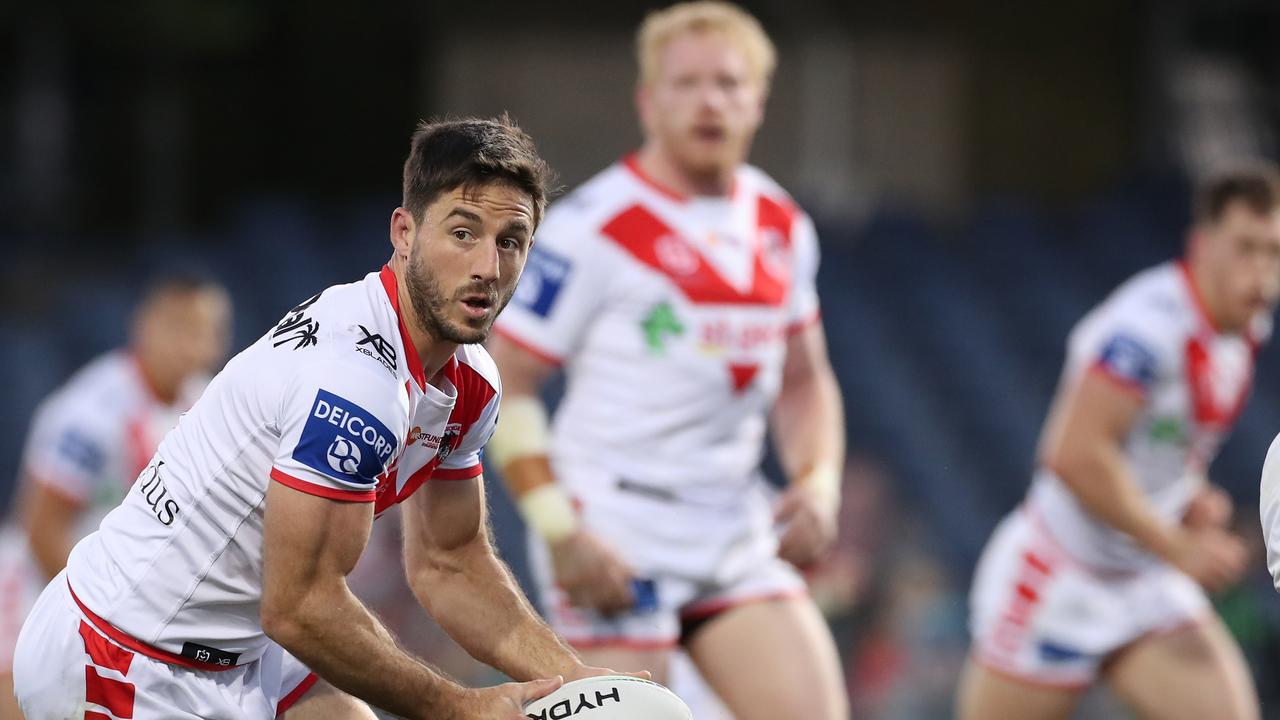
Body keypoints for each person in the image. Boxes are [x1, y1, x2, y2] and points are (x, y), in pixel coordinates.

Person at [14, 117, 629, 719]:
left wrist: (569, 681)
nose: (487, 268)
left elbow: (450, 561)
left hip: (245, 648)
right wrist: (459, 707)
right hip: (123, 652)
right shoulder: (354, 380)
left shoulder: (471, 383)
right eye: (462, 232)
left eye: (511, 242)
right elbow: (301, 607)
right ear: (405, 233)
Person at [485, 3, 849, 719]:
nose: (709, 100)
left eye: (728, 83)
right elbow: (509, 383)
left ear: (758, 102)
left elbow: (805, 380)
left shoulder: (781, 225)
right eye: (686, 84)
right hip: (615, 527)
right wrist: (560, 528)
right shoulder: (595, 227)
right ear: (648, 103)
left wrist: (818, 482)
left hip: (733, 525)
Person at [960, 165, 1280, 720]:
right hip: (1062, 573)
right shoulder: (1145, 328)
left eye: (1274, 252)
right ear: (1201, 247)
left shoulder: (1243, 330)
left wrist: (1188, 494)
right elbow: (1073, 455)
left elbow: (1165, 440)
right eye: (1245, 249)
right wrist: (1178, 546)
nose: (1261, 272)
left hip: (1143, 578)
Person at [0, 273, 231, 720]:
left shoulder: (205, 403)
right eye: (179, 328)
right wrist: (100, 616)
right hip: (39, 590)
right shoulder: (92, 411)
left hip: (117, 606)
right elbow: (41, 528)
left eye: (205, 331)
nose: (192, 345)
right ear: (145, 327)